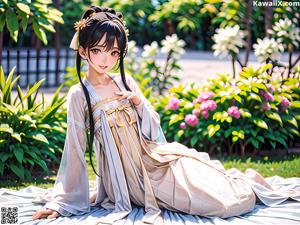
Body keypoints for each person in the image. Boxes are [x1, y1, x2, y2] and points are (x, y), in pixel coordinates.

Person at [32, 5, 299, 224]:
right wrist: (63, 203)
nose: (106, 59)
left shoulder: (125, 82)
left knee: (214, 186)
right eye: (98, 50)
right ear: (82, 50)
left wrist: (138, 103)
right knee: (222, 206)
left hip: (156, 159)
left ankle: (245, 179)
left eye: (113, 52)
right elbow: (75, 150)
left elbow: (153, 131)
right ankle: (245, 184)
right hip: (130, 179)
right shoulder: (79, 94)